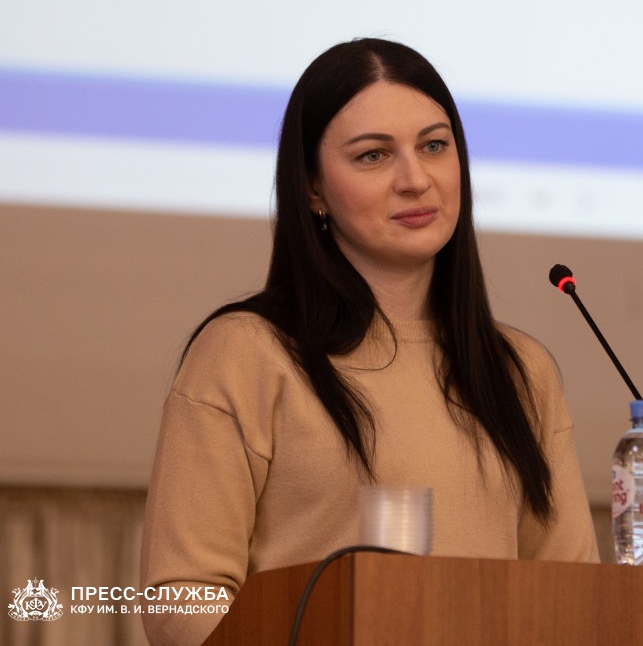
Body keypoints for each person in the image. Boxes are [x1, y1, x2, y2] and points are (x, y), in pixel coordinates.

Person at [139, 38, 599, 645]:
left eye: (434, 146)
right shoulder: (246, 352)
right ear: (312, 187)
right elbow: (181, 596)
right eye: (373, 155)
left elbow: (573, 596)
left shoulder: (521, 370)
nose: (415, 179)